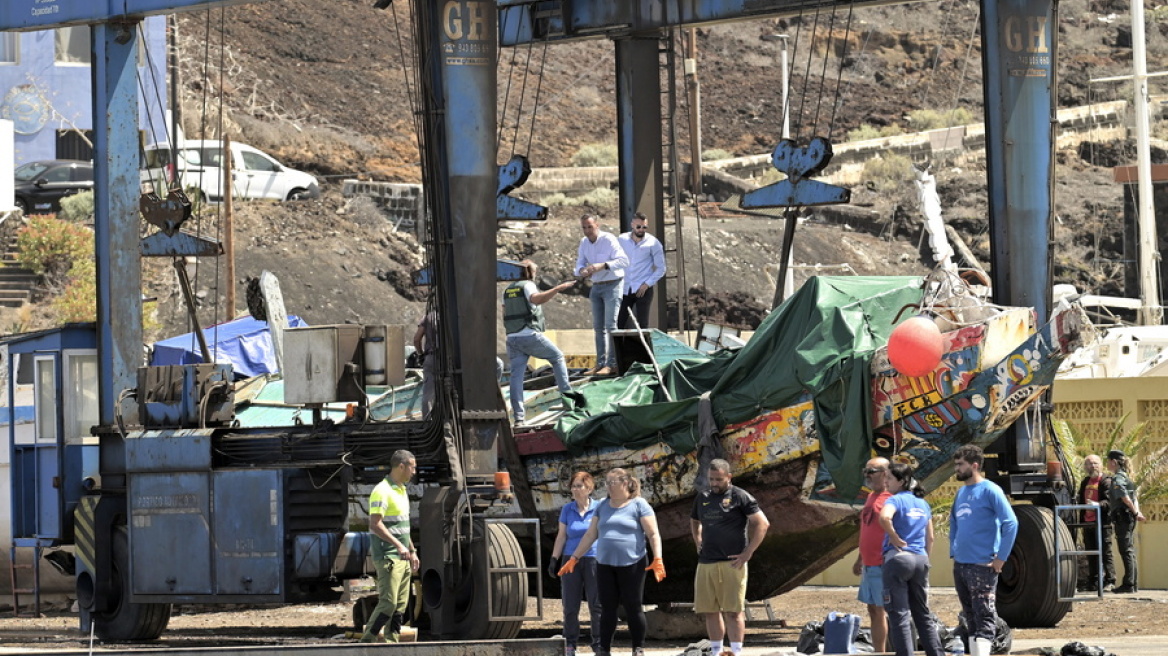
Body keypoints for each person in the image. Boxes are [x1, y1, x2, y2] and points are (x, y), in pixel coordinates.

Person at [560, 468, 665, 656]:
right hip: (605, 563)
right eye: (606, 483)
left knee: (633, 605)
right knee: (607, 607)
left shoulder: (639, 504)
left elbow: (653, 533)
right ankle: (604, 649)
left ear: (625, 483)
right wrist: (574, 557)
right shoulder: (602, 506)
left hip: (633, 562)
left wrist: (658, 558)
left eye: (612, 482)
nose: (608, 486)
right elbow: (591, 534)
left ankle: (638, 647)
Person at [690, 459, 769, 656]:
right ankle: (716, 651)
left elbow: (762, 524)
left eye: (718, 479)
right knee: (710, 610)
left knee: (733, 612)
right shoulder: (703, 496)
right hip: (706, 561)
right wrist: (697, 539)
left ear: (729, 477)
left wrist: (748, 552)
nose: (714, 483)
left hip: (732, 563)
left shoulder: (740, 496)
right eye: (711, 479)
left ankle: (736, 651)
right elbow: (694, 519)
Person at [949, 444, 1017, 656]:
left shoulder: (991, 490)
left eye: (961, 464)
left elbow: (1011, 523)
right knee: (970, 617)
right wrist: (954, 550)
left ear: (975, 465)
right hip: (961, 564)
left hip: (982, 565)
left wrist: (1001, 558)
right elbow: (954, 522)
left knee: (984, 615)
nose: (957, 469)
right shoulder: (961, 492)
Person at [878, 463, 944, 656]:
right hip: (920, 560)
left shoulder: (895, 500)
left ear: (901, 481)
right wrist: (924, 559)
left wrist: (893, 535)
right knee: (922, 613)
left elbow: (884, 518)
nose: (885, 482)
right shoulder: (923, 503)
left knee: (899, 615)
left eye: (889, 478)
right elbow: (929, 537)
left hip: (898, 559)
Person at [502, 260, 576, 425]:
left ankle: (519, 418)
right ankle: (569, 403)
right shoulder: (527, 285)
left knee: (516, 377)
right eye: (534, 270)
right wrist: (557, 289)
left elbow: (505, 311)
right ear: (528, 272)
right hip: (529, 334)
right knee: (557, 357)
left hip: (512, 338)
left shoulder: (507, 290)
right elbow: (537, 299)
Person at [360, 450, 420, 643]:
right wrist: (399, 547)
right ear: (401, 466)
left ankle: (391, 644)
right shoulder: (382, 491)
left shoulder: (402, 491)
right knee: (388, 604)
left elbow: (403, 527)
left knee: (400, 605)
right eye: (412, 467)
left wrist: (412, 550)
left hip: (402, 557)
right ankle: (366, 642)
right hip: (388, 557)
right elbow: (375, 524)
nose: (414, 471)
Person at [549, 472, 603, 656]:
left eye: (579, 486)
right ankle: (570, 642)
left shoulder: (599, 508)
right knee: (570, 605)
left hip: (594, 559)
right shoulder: (567, 510)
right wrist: (554, 559)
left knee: (596, 605)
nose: (574, 489)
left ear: (589, 488)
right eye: (573, 486)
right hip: (570, 560)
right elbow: (562, 536)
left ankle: (599, 643)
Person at [574, 214, 629, 376]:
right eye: (584, 227)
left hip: (613, 284)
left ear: (597, 225)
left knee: (611, 326)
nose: (587, 231)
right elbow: (579, 264)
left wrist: (603, 265)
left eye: (590, 227)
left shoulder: (609, 239)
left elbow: (624, 261)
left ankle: (612, 364)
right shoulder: (584, 243)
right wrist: (582, 271)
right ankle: (600, 364)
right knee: (598, 327)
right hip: (596, 286)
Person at [852, 457, 891, 653]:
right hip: (869, 563)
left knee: (881, 609)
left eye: (871, 471)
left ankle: (882, 651)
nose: (867, 475)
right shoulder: (871, 497)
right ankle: (878, 650)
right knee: (873, 609)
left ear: (885, 473)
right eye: (865, 471)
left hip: (882, 563)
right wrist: (859, 558)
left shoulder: (891, 498)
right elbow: (866, 529)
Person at [617, 212, 665, 330]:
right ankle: (619, 349)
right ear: (632, 225)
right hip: (625, 288)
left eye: (644, 227)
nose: (641, 230)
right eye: (638, 227)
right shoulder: (621, 240)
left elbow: (661, 268)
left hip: (643, 289)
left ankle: (645, 349)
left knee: (643, 325)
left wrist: (647, 284)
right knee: (618, 323)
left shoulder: (653, 243)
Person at [1106, 449, 1145, 593]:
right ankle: (1132, 584)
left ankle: (1128, 584)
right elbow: (1134, 498)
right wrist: (1136, 512)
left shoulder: (1118, 478)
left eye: (1108, 461)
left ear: (1114, 462)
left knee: (1125, 550)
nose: (1107, 464)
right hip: (1127, 517)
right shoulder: (1126, 477)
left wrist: (1135, 512)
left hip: (1123, 517)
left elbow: (1125, 497)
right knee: (1129, 550)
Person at [1077, 454, 1115, 592]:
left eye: (1095, 463)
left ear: (1101, 465)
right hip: (1088, 523)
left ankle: (1110, 581)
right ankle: (1093, 582)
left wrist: (1096, 504)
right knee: (1091, 553)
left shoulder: (1106, 481)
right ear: (1085, 467)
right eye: (1089, 463)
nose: (1092, 466)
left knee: (1105, 552)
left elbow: (1109, 502)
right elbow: (1080, 499)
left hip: (1102, 523)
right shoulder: (1085, 481)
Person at [412, 311, 438, 418]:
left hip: (431, 358)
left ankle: (428, 424)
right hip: (450, 360)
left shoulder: (428, 317)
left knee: (428, 395)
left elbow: (416, 339)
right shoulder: (453, 316)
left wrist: (421, 354)